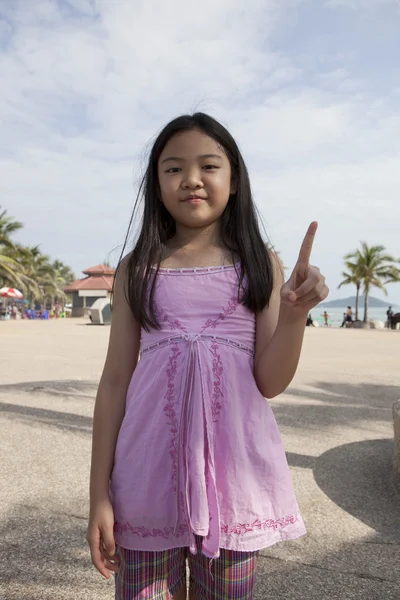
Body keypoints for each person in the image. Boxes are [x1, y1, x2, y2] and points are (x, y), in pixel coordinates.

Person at [86, 113, 329, 600]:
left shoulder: (259, 261)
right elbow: (115, 381)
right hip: (145, 478)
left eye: (209, 166)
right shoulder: (138, 267)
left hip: (234, 485)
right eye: (173, 168)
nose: (191, 179)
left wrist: (294, 316)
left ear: (234, 180)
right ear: (156, 184)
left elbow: (269, 380)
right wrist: (99, 495)